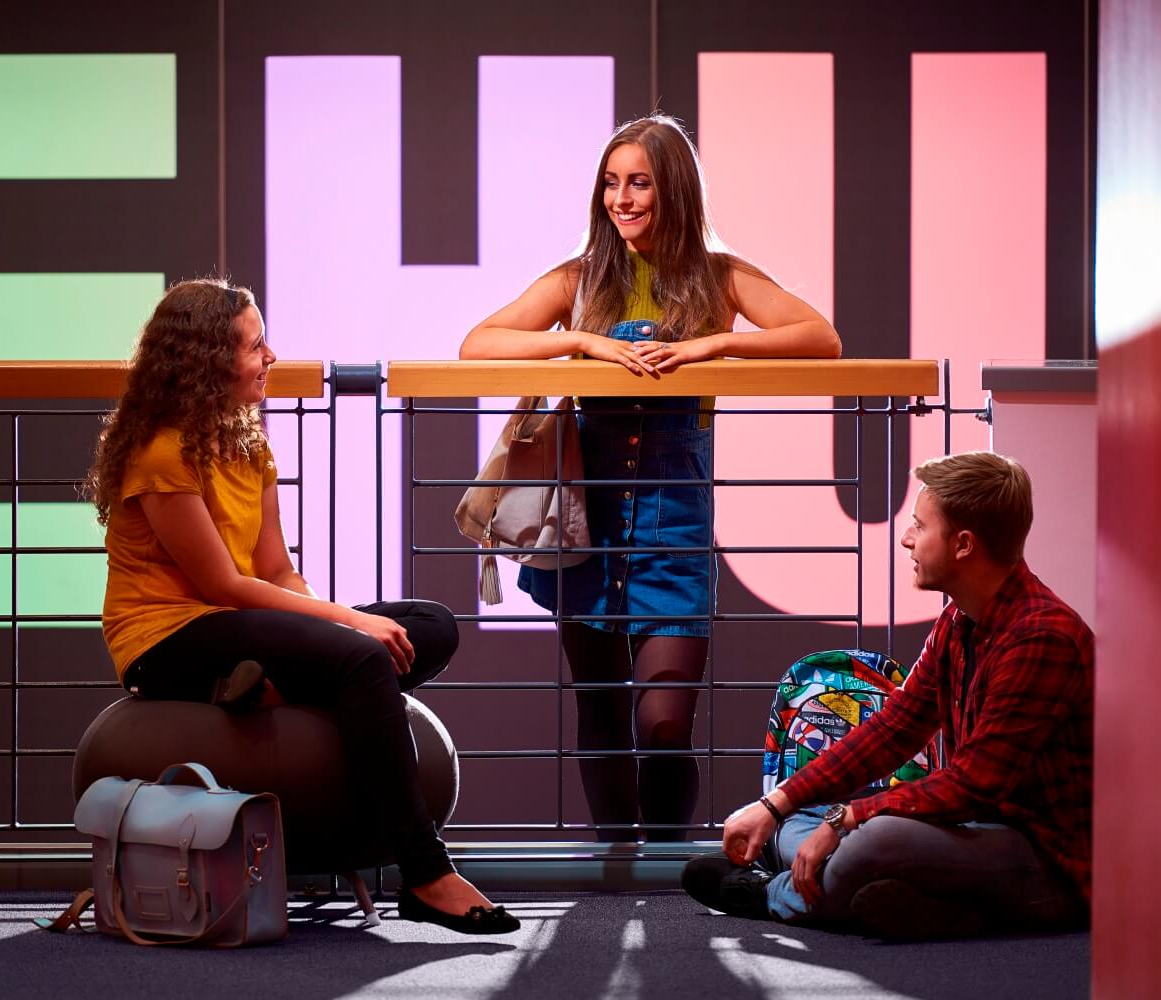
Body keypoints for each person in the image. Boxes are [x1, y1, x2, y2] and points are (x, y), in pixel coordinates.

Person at [85, 278, 518, 935]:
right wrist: (347, 628)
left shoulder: (248, 444)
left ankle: (270, 691)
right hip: (167, 639)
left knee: (431, 626)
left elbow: (277, 572)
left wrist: (335, 619)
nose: (271, 357)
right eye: (255, 347)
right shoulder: (161, 450)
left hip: (234, 627)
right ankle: (427, 875)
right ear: (206, 361)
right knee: (362, 656)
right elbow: (221, 587)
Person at [459, 114, 841, 840]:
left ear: (675, 190)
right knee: (600, 709)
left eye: (639, 182)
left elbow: (821, 336)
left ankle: (668, 882)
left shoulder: (719, 276)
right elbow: (477, 342)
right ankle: (615, 871)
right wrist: (577, 339)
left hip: (675, 523)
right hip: (587, 522)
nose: (622, 199)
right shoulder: (580, 279)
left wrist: (717, 346)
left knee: (665, 721)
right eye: (611, 182)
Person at [682, 452, 1093, 941]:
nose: (907, 539)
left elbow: (972, 785)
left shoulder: (1041, 637)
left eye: (920, 526)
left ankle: (766, 894)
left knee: (871, 835)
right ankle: (939, 913)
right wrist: (777, 805)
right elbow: (892, 730)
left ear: (963, 545)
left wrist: (848, 820)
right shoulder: (960, 620)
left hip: (1048, 863)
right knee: (816, 817)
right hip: (977, 834)